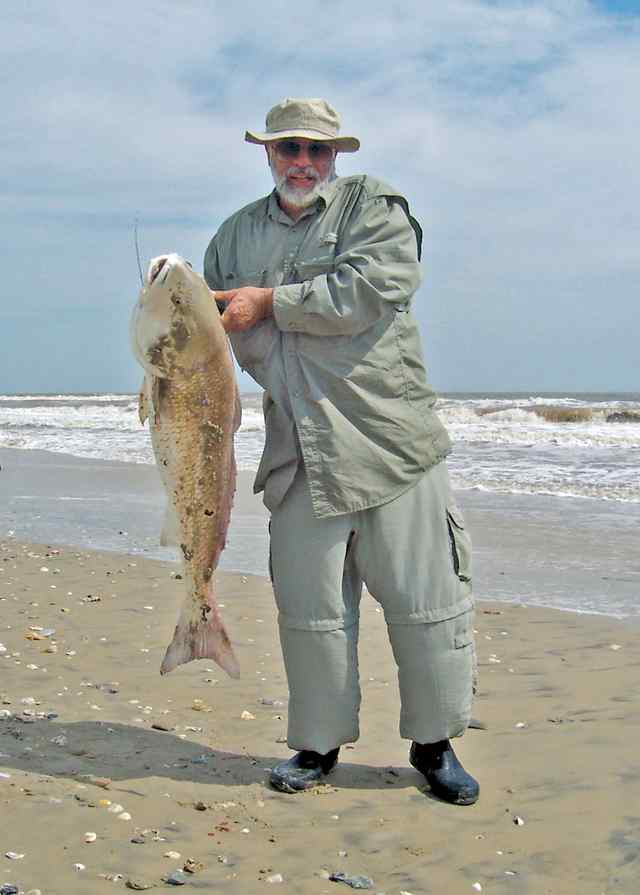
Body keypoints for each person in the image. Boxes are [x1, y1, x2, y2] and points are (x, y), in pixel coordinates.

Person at [204, 98, 479, 805]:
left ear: (337, 157)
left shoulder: (373, 208)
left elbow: (373, 289)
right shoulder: (234, 235)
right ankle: (317, 743)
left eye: (317, 151)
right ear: (267, 153)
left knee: (427, 605)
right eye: (289, 148)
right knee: (310, 612)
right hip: (299, 452)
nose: (303, 162)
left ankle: (433, 743)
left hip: (391, 444)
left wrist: (271, 303)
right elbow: (215, 319)